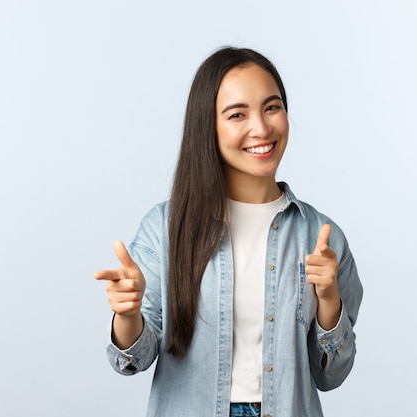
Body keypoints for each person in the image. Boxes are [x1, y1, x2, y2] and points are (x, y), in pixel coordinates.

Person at [95, 47, 363, 417]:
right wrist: (127, 315)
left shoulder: (321, 235)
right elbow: (131, 360)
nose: (262, 128)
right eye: (238, 114)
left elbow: (331, 375)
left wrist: (329, 299)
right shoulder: (165, 229)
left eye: (272, 107)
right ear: (208, 126)